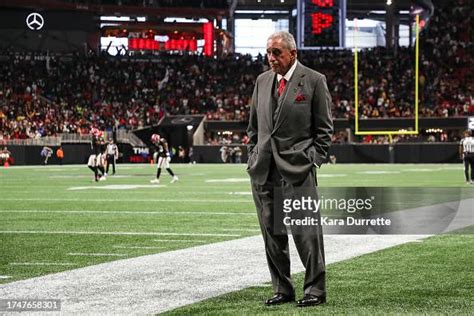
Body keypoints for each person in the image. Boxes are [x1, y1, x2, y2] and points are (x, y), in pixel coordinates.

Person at [246, 31, 333, 307]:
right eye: (268, 52)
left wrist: (313, 161)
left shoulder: (315, 81)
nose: (271, 58)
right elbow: (253, 127)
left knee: (306, 233)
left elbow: (325, 130)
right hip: (264, 169)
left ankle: (315, 290)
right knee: (272, 235)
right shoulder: (261, 81)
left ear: (292, 54)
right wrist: (253, 155)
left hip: (298, 169)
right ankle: (283, 288)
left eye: (277, 53)